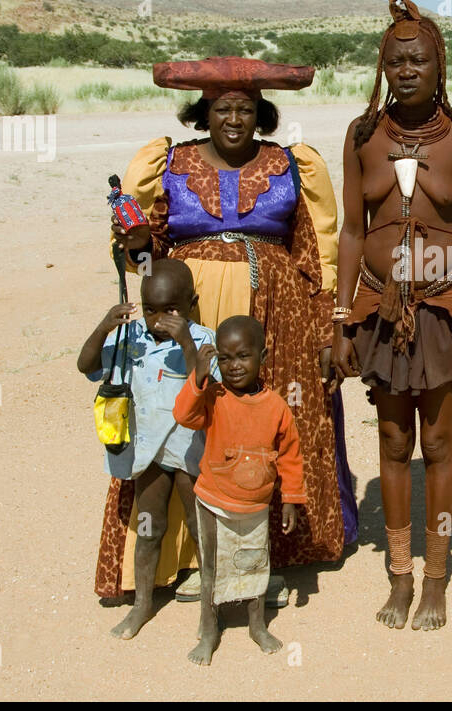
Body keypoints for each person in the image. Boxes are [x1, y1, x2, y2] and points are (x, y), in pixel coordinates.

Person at [94, 56, 357, 609]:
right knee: (181, 425)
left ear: (261, 114)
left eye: (244, 109)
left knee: (261, 426)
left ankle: (261, 559)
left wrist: (325, 322)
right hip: (189, 312)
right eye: (222, 109)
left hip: (275, 317)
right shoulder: (168, 162)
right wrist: (133, 253)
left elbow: (317, 248)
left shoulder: (293, 164)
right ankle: (183, 560)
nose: (234, 119)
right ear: (203, 113)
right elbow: (145, 252)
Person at [332, 0, 452, 631]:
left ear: (439, 66)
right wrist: (341, 319)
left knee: (437, 440)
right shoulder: (361, 136)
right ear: (382, 66)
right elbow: (351, 232)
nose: (406, 70)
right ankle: (398, 575)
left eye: (419, 60)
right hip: (377, 306)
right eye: (396, 60)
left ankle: (436, 579)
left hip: (443, 310)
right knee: (393, 439)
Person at [78, 259, 216, 639]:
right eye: (150, 309)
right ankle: (141, 605)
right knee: (149, 527)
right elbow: (85, 365)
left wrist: (186, 341)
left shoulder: (203, 340)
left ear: (192, 303)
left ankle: (209, 611)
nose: (158, 319)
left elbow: (205, 388)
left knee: (200, 529)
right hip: (149, 454)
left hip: (191, 452)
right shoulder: (129, 338)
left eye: (171, 310)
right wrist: (105, 325)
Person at [175, 315, 303, 662]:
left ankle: (257, 624)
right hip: (214, 501)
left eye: (243, 356)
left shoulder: (276, 406)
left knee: (255, 564)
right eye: (225, 358)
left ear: (263, 355)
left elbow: (290, 456)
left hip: (256, 506)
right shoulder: (214, 396)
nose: (233, 367)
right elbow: (183, 416)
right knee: (212, 569)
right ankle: (209, 627)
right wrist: (199, 377)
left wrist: (291, 499)